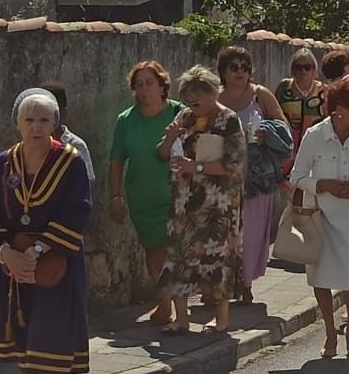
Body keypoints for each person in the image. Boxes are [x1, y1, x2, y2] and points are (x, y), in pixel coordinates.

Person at [0, 88, 93, 374]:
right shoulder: (2, 165)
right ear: (17, 124)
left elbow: (78, 210)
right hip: (14, 268)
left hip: (55, 265)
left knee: (46, 342)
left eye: (44, 119)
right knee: (28, 347)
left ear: (55, 124)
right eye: (29, 119)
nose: (37, 126)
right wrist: (6, 252)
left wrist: (40, 249)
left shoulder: (70, 163)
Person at [290, 74, 349, 358]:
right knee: (320, 274)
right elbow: (296, 176)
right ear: (339, 109)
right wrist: (323, 185)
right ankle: (330, 332)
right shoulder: (315, 135)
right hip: (321, 214)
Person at [156, 66, 248, 334]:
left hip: (216, 206)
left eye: (198, 97)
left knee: (216, 260)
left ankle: (220, 318)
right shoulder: (185, 118)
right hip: (184, 202)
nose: (193, 103)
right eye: (188, 98)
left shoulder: (228, 121)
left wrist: (193, 166)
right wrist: (171, 137)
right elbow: (163, 154)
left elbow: (234, 166)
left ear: (211, 92)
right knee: (179, 257)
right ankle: (181, 318)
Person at [109, 60, 183, 324]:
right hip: (143, 196)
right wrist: (115, 197)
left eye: (149, 83)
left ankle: (181, 306)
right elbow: (117, 160)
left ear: (162, 85)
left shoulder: (179, 114)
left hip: (177, 195)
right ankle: (164, 303)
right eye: (138, 85)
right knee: (154, 251)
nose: (144, 90)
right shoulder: (126, 120)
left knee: (177, 250)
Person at [217, 45, 289, 306]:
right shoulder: (216, 99)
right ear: (223, 71)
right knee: (226, 235)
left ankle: (246, 285)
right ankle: (223, 286)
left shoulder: (261, 96)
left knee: (252, 232)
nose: (240, 72)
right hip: (223, 177)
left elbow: (284, 128)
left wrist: (266, 133)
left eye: (245, 67)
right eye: (234, 67)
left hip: (257, 178)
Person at [40, 82, 95, 188]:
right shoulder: (32, 144)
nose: (50, 116)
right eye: (45, 111)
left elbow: (86, 184)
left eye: (55, 111)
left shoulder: (76, 146)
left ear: (64, 112)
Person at [275, 47, 327, 158]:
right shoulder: (284, 87)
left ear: (314, 69)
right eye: (298, 67)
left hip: (315, 150)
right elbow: (274, 114)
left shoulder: (324, 91)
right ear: (293, 69)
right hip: (287, 149)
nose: (303, 71)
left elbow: (329, 120)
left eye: (307, 67)